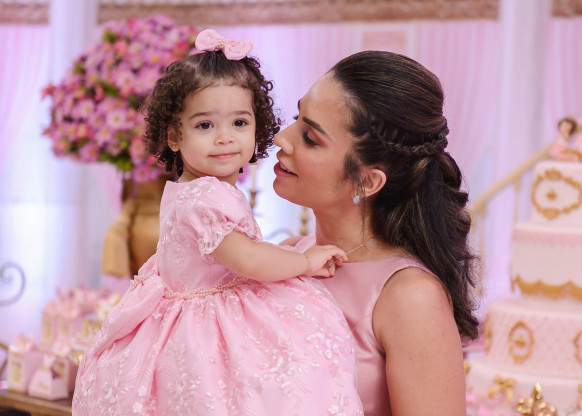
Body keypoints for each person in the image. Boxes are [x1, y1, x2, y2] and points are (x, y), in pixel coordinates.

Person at [72, 29, 363, 415]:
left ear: (257, 126)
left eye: (239, 123)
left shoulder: (191, 189)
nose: (225, 138)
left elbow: (228, 255)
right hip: (204, 324)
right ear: (174, 136)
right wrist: (305, 261)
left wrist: (278, 250)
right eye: (205, 125)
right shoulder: (206, 197)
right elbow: (248, 261)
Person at [273, 50, 479, 416]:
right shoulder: (289, 255)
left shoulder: (410, 297)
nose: (280, 139)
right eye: (295, 119)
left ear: (367, 181)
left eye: (310, 137)